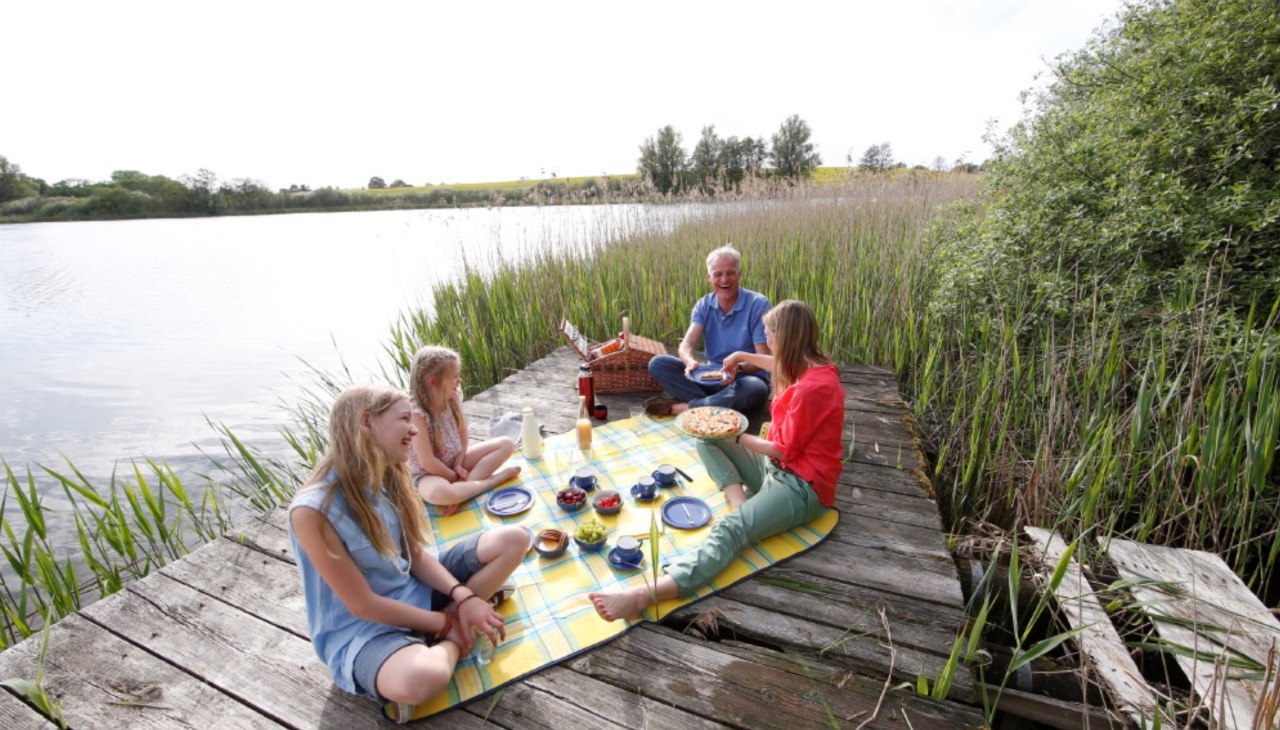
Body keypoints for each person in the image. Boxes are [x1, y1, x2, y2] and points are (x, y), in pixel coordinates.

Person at [590, 300, 844, 621]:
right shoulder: (807, 365)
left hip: (802, 486)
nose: (766, 339)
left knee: (729, 530)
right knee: (706, 437)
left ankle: (644, 594)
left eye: (769, 333)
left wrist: (736, 434)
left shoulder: (812, 389)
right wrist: (739, 357)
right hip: (774, 469)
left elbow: (783, 450)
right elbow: (776, 365)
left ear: (785, 338)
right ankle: (742, 507)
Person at [288, 385, 528, 714]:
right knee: (419, 680)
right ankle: (456, 639)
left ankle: (459, 616)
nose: (414, 429)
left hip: (414, 592)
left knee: (515, 539)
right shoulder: (312, 511)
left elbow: (414, 556)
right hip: (365, 631)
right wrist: (446, 625)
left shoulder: (385, 473)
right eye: (404, 419)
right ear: (367, 422)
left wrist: (463, 596)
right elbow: (363, 606)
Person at [644, 243, 771, 417]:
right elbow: (687, 344)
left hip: (744, 378)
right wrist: (690, 361)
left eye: (731, 273)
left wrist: (738, 368)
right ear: (709, 277)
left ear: (739, 274)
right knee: (658, 364)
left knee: (755, 388)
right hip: (710, 377)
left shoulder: (758, 304)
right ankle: (715, 403)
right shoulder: (704, 304)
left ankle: (688, 407)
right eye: (718, 274)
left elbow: (763, 358)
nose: (724, 280)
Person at [409, 346, 521, 516]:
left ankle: (462, 492)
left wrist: (459, 462)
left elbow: (463, 431)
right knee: (438, 493)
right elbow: (427, 462)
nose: (459, 380)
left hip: (456, 462)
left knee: (506, 444)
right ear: (433, 382)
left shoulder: (452, 396)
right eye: (454, 377)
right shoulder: (416, 414)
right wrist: (454, 477)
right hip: (429, 474)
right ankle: (491, 481)